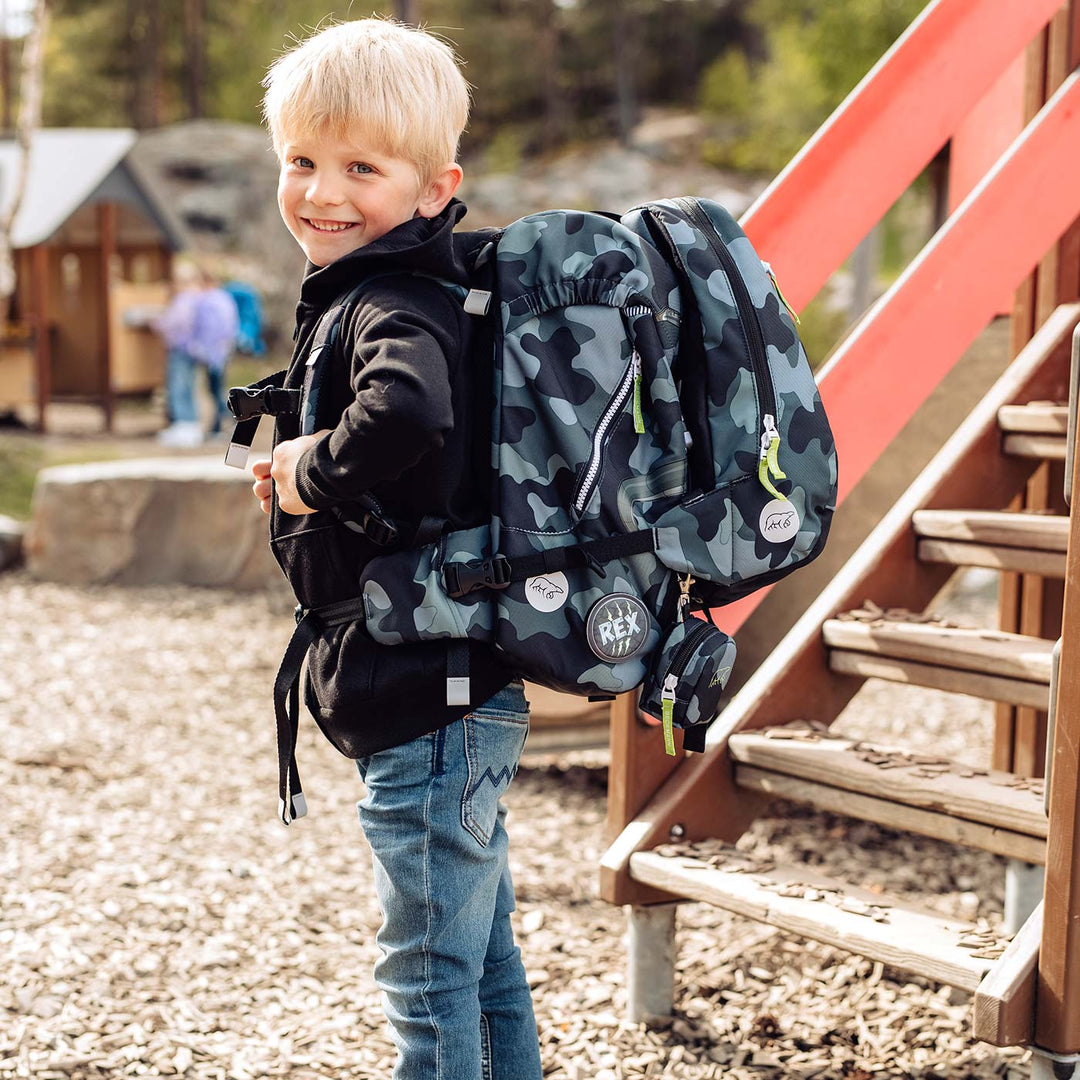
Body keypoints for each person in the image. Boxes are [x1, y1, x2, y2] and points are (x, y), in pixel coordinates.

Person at [248, 17, 543, 1080]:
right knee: (479, 962)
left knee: (426, 976)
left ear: (433, 189)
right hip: (452, 686)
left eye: (361, 168)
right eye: (302, 161)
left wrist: (311, 469)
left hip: (427, 695)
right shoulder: (400, 288)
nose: (321, 191)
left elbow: (408, 411)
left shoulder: (391, 298)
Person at [155, 263, 239, 446]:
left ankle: (230, 422)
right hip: (220, 352)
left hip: (204, 353)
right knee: (213, 389)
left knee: (206, 390)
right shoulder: (222, 298)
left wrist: (199, 349)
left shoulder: (200, 300)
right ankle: (219, 427)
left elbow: (186, 325)